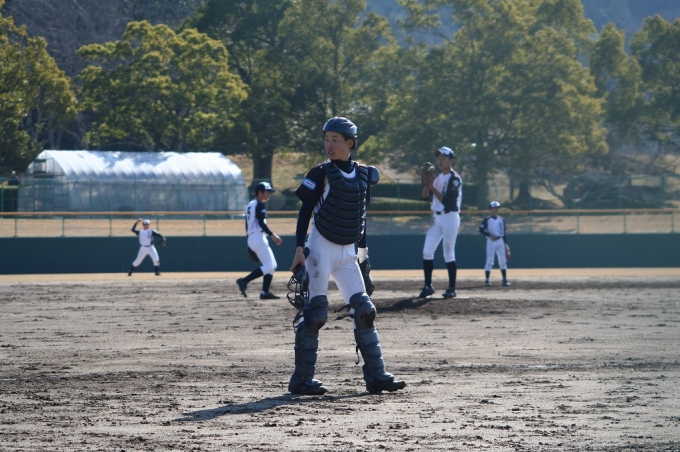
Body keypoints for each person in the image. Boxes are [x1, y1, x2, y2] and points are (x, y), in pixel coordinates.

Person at [287, 116, 406, 395]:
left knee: (365, 311)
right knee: (316, 313)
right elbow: (305, 212)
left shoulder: (364, 174)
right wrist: (299, 248)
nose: (329, 145)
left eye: (335, 140)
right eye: (326, 139)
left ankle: (376, 376)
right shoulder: (320, 172)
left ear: (350, 143)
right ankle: (301, 379)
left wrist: (363, 255)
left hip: (348, 253)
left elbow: (361, 217)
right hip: (320, 249)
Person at [418, 146, 463, 299]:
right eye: (439, 158)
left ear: (451, 161)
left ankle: (451, 288)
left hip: (450, 217)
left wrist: (431, 186)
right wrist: (427, 185)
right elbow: (424, 197)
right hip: (436, 218)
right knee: (427, 251)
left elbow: (448, 201)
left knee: (448, 253)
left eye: (444, 158)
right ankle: (428, 286)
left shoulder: (455, 179)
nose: (440, 161)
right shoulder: (436, 177)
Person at [236, 181, 283, 300]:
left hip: (253, 237)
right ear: (260, 193)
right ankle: (244, 281)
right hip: (258, 237)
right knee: (269, 265)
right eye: (267, 192)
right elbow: (261, 223)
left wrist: (250, 242)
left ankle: (265, 292)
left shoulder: (250, 204)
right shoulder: (259, 205)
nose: (269, 194)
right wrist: (273, 235)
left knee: (272, 265)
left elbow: (248, 225)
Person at [479, 201, 510, 287]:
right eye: (494, 208)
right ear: (490, 209)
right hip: (491, 241)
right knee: (489, 261)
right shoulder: (487, 219)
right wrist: (489, 235)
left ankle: (504, 280)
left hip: (500, 240)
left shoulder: (501, 219)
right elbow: (481, 229)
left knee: (503, 260)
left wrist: (506, 245)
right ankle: (487, 280)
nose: (496, 210)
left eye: (497, 208)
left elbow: (504, 233)